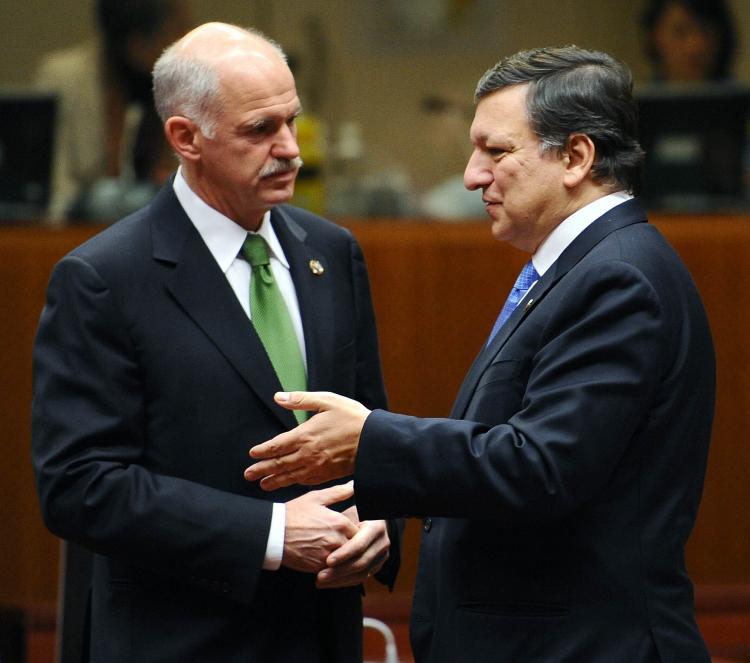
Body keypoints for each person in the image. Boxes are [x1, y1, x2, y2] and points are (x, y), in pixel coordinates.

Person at [246, 45, 716, 662]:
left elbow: (542, 467)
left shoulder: (618, 278)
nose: (472, 175)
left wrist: (372, 440)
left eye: (497, 152)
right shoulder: (580, 269)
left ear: (576, 157)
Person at [32, 22, 398, 662]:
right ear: (185, 137)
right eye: (261, 130)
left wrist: (380, 525)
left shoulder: (333, 253)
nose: (291, 150)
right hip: (185, 639)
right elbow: (80, 485)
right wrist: (274, 533)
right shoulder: (105, 278)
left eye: (292, 121)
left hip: (321, 634)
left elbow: (369, 425)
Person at [34, 0, 193, 222]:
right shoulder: (64, 78)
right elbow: (52, 188)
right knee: (102, 199)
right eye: (178, 29)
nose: (186, 39)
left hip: (161, 220)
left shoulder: (188, 82)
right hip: (83, 225)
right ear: (137, 42)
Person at [641, 0, 737, 83]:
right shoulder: (635, 102)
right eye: (680, 32)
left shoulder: (742, 101)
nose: (695, 47)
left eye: (706, 31)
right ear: (655, 36)